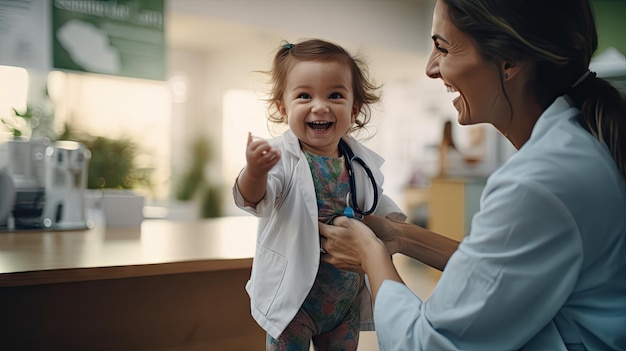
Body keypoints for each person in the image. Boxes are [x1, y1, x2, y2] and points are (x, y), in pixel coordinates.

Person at [318, 0, 626, 349]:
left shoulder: (540, 181)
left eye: (443, 47)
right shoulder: (578, 144)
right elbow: (498, 268)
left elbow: (426, 343)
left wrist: (370, 255)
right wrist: (400, 237)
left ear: (509, 61)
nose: (430, 68)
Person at [233, 39, 406, 350]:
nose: (320, 106)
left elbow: (377, 206)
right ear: (282, 108)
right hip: (293, 302)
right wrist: (255, 172)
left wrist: (392, 227)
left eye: (335, 95)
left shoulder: (360, 161)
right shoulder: (280, 157)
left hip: (344, 300)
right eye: (304, 95)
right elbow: (254, 199)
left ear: (354, 109)